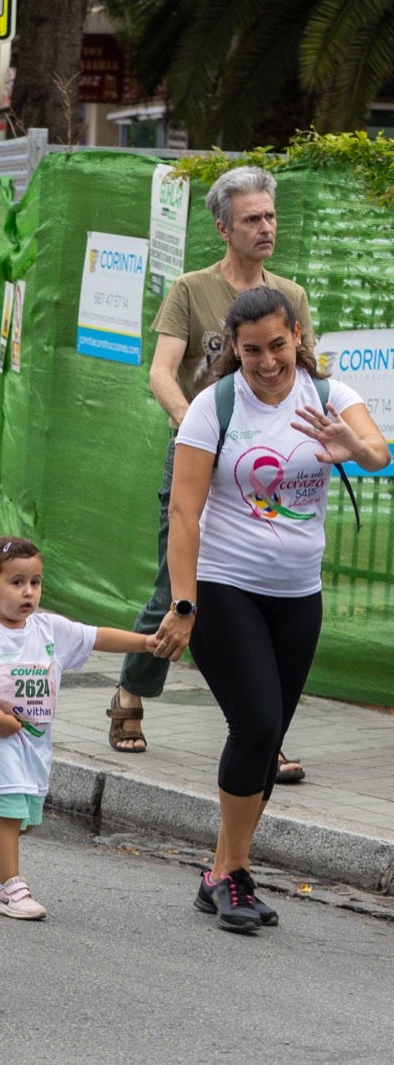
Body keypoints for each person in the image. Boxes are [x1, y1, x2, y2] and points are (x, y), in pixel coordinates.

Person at [152, 287, 388, 931]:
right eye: (251, 349)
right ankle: (232, 874)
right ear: (234, 347)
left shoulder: (330, 397)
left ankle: (223, 871)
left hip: (297, 595)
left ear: (298, 338)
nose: (266, 361)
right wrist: (183, 601)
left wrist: (353, 446)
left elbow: (379, 451)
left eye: (278, 345)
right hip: (226, 587)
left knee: (270, 737)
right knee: (255, 725)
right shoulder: (213, 406)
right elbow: (184, 511)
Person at [111, 166, 316, 778]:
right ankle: (131, 690)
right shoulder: (191, 289)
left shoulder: (290, 295)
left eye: (270, 216)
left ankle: (262, 732)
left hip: (271, 464)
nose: (265, 227)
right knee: (175, 582)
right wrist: (197, 424)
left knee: (266, 596)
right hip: (202, 451)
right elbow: (161, 372)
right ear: (224, 227)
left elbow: (308, 372)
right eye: (252, 218)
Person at [0, 537, 156, 920]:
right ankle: (9, 890)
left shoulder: (48, 630)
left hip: (34, 743)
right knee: (10, 810)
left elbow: (96, 636)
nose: (28, 592)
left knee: (22, 822)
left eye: (35, 582)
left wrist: (146, 642)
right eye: (16, 583)